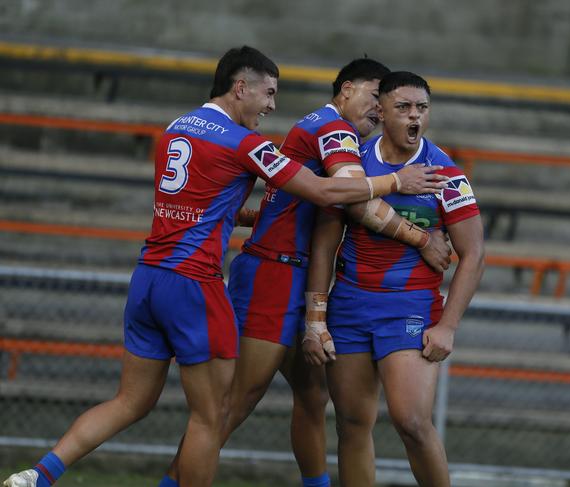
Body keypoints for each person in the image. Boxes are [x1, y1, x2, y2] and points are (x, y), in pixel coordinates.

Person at [3, 49, 443, 487]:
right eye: (268, 93)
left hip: (159, 273)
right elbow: (339, 191)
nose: (271, 105)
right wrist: (407, 207)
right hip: (236, 276)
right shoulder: (304, 133)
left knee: (310, 396)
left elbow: (226, 203)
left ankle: (40, 476)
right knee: (221, 410)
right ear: (240, 88)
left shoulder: (178, 126)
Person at [159, 58, 452, 487]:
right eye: (376, 97)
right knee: (234, 402)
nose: (378, 109)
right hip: (273, 276)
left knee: (314, 396)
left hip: (295, 275)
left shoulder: (320, 126)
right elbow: (356, 199)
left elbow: (298, 205)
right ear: (347, 89)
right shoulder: (335, 129)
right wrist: (422, 237)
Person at [304, 71, 485, 487]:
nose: (414, 116)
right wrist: (316, 319)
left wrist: (448, 327)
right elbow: (324, 246)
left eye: (421, 108)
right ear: (381, 111)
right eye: (403, 107)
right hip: (349, 306)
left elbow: (474, 254)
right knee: (350, 424)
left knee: (412, 422)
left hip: (410, 308)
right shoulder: (353, 166)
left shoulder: (446, 173)